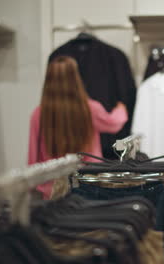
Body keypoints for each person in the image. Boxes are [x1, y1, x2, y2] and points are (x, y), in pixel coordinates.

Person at [28, 56, 128, 199]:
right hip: (89, 183)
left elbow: (33, 158)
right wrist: (121, 109)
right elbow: (113, 124)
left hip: (52, 189)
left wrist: (32, 188)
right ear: (76, 79)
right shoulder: (90, 108)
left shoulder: (39, 114)